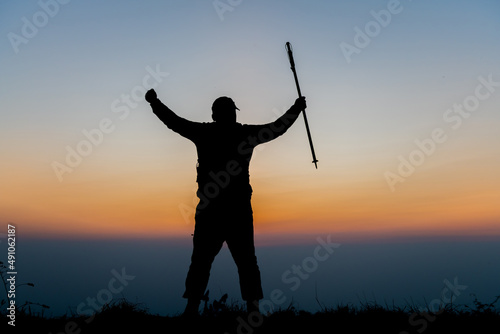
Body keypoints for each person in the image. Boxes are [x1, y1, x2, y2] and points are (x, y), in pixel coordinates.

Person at [145, 89, 306, 316]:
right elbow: (277, 128)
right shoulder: (245, 135)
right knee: (246, 262)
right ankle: (252, 311)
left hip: (210, 210)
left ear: (214, 115)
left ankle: (192, 309)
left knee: (201, 261)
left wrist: (154, 102)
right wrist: (296, 108)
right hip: (238, 210)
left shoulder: (203, 133)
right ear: (232, 114)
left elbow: (174, 122)